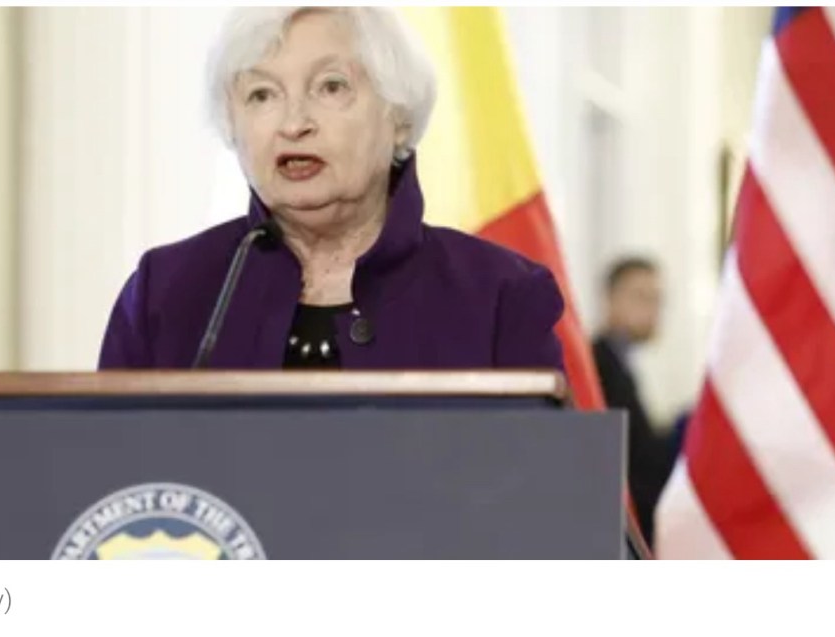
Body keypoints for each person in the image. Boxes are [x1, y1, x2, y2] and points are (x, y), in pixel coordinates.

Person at [99, 7, 565, 373]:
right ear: (232, 124)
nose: (294, 123)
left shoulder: (502, 296)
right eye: (262, 95)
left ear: (399, 117)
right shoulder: (164, 293)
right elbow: (111, 462)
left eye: (330, 87)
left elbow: (540, 465)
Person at [592, 257, 678, 548]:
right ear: (611, 299)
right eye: (640, 297)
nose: (651, 309)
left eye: (657, 300)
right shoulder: (600, 367)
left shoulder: (620, 363)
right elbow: (636, 459)